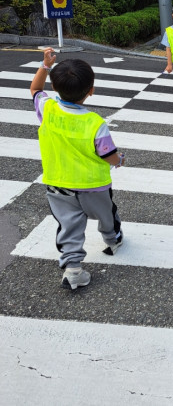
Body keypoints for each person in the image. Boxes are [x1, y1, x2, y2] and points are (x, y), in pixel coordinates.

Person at [30, 48, 125, 290]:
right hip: (94, 185)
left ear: (55, 88)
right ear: (90, 90)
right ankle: (112, 240)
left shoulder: (47, 109)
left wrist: (45, 65)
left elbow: (34, 90)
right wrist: (120, 160)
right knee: (107, 214)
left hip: (59, 183)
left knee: (69, 225)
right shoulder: (95, 122)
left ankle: (73, 269)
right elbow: (108, 155)